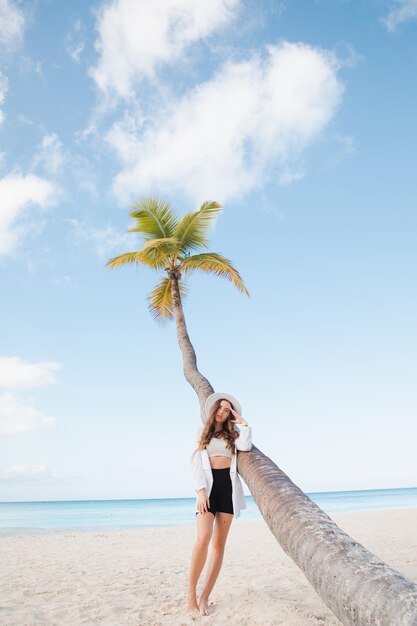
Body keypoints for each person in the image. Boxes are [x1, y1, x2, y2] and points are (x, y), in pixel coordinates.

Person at [187, 391, 253, 615]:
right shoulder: (200, 433)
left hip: (228, 489)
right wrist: (201, 491)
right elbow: (195, 463)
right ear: (213, 409)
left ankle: (204, 597)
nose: (223, 413)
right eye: (220, 408)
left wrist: (243, 423)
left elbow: (246, 447)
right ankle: (190, 594)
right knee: (203, 539)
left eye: (227, 410)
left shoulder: (233, 435)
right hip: (208, 489)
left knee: (218, 546)